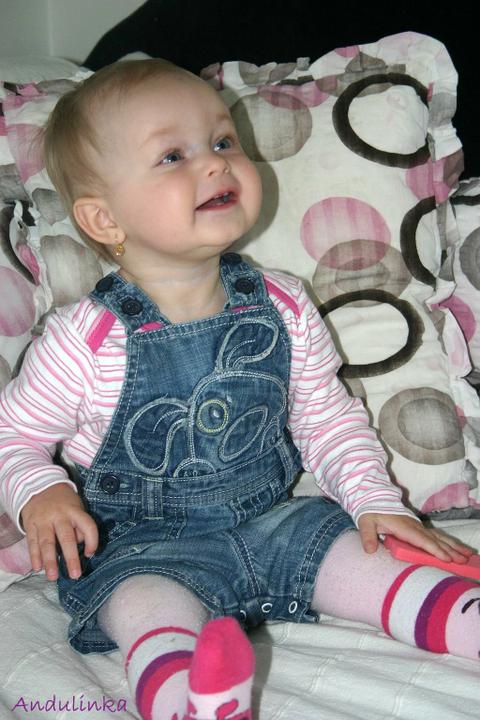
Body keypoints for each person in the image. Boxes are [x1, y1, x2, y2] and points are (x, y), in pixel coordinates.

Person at [0, 59, 478, 720]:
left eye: (223, 141)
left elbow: (325, 416)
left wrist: (374, 501)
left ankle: (459, 617)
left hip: (273, 520)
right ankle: (191, 696)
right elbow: (14, 436)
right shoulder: (85, 341)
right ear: (105, 219)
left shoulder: (282, 303)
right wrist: (41, 491)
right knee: (142, 604)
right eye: (173, 155)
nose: (216, 163)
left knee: (361, 556)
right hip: (142, 547)